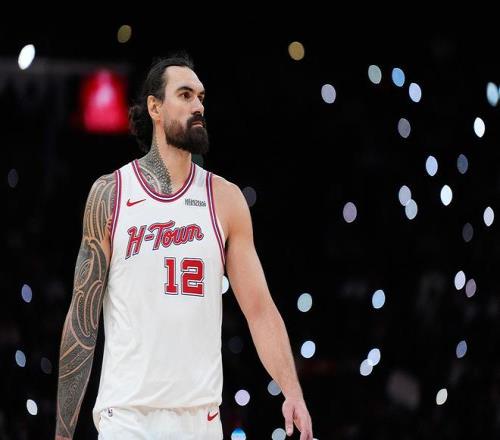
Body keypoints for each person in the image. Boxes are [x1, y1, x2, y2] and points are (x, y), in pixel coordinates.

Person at [54, 52, 313, 440]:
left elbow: (260, 309)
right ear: (155, 107)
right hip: (127, 417)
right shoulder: (111, 193)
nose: (198, 106)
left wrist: (292, 391)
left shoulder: (225, 199)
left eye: (201, 97)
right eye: (185, 95)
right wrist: (63, 432)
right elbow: (82, 318)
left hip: (200, 419)